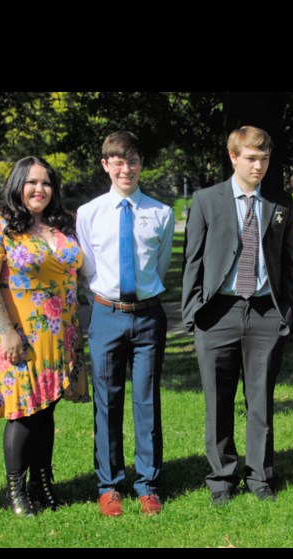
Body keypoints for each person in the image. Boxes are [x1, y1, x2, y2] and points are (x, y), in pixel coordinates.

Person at [182, 126, 293, 505]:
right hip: (218, 312)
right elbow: (193, 261)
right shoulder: (206, 200)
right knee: (218, 400)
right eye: (251, 158)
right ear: (233, 157)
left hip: (266, 311)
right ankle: (221, 478)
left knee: (261, 399)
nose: (259, 166)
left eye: (264, 159)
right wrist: (192, 315)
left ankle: (260, 476)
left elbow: (289, 261)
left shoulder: (280, 202)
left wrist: (288, 313)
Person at [0, 156, 85, 516]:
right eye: (32, 182)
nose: (40, 189)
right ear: (17, 184)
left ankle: (43, 483)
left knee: (46, 410)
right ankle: (16, 490)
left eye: (46, 183)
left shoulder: (60, 224)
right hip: (19, 336)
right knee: (22, 411)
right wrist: (6, 332)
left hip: (59, 335)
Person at [75, 132, 174, 516]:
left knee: (147, 399)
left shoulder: (160, 213)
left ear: (141, 164)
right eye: (117, 161)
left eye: (132, 160)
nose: (125, 168)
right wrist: (107, 302)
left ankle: (147, 482)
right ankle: (109, 484)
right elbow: (88, 269)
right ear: (105, 165)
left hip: (149, 314)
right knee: (107, 399)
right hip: (105, 314)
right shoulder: (88, 214)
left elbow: (161, 267)